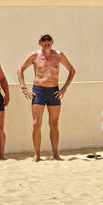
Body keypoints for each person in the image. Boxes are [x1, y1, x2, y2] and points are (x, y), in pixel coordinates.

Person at [18, 34, 75, 162]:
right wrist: (24, 88)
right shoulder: (34, 55)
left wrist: (64, 88)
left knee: (54, 124)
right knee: (36, 124)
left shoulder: (59, 55)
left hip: (54, 91)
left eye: (49, 39)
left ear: (52, 42)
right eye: (44, 40)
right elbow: (20, 69)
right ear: (40, 43)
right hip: (38, 90)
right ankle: (37, 155)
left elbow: (72, 70)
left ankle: (55, 154)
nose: (46, 42)